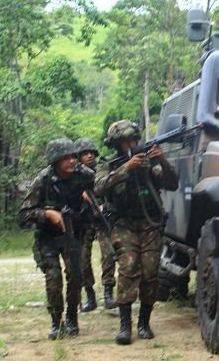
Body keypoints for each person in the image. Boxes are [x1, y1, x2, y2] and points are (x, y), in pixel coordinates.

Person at [95, 120, 178, 345]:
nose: (131, 144)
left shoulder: (149, 162)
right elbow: (99, 186)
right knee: (128, 267)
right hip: (123, 224)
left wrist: (161, 159)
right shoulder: (109, 163)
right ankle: (125, 326)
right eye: (126, 142)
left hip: (150, 223)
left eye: (134, 140)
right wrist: (126, 168)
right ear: (117, 145)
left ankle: (144, 322)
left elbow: (172, 183)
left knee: (151, 272)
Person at [19, 138, 95, 340]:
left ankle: (72, 317)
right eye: (66, 158)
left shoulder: (85, 176)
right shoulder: (43, 180)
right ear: (55, 161)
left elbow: (98, 191)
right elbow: (24, 213)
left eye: (73, 156)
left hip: (73, 233)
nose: (72, 161)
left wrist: (93, 201)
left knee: (75, 277)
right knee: (53, 279)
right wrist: (47, 215)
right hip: (48, 237)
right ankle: (56, 321)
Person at [74, 138, 117, 311]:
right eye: (85, 153)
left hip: (101, 218)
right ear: (79, 156)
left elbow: (114, 192)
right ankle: (90, 295)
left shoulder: (104, 168)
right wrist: (80, 195)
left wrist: (103, 206)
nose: (89, 156)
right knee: (82, 259)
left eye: (91, 152)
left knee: (108, 254)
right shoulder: (73, 173)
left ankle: (108, 293)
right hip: (83, 221)